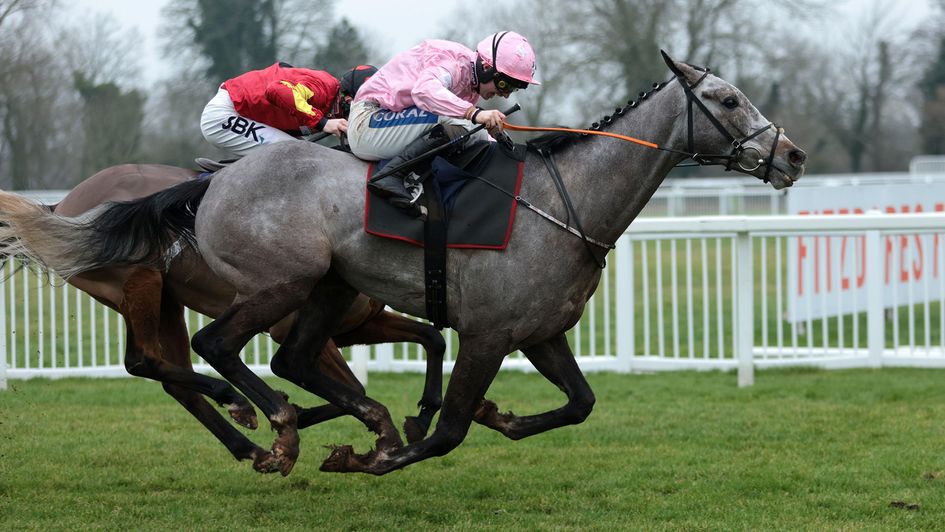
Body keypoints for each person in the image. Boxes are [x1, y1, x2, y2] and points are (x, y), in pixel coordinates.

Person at [347, 31, 539, 214]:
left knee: (475, 132)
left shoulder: (471, 84)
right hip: (367, 122)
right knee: (465, 124)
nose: (505, 95)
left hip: (387, 124)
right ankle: (390, 176)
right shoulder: (454, 63)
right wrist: (473, 113)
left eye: (513, 89)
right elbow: (424, 91)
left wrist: (499, 142)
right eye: (505, 84)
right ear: (486, 67)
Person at [200, 62, 377, 160]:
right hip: (225, 115)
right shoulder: (323, 89)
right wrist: (323, 123)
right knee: (295, 155)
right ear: (348, 97)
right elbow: (276, 89)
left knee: (303, 153)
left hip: (243, 113)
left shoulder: (333, 101)